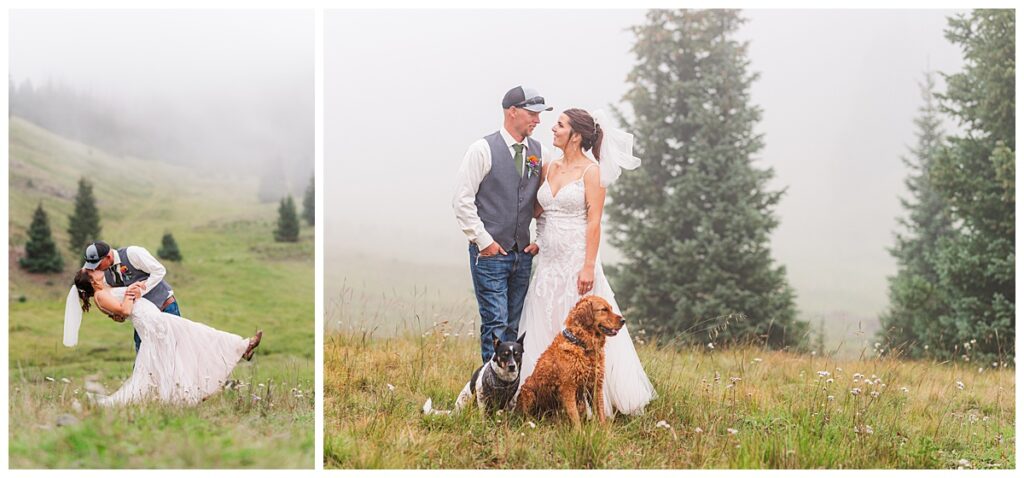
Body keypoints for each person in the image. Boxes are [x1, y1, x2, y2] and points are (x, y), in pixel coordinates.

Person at [517, 108, 656, 417]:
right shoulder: (549, 167)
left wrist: (589, 266)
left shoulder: (592, 172)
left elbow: (594, 222)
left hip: (577, 262)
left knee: (583, 328)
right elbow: (543, 213)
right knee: (546, 320)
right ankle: (548, 397)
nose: (553, 128)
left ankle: (592, 402)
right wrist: (539, 240)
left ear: (576, 135)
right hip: (549, 263)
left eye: (560, 125)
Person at [452, 86, 553, 363]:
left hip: (523, 255)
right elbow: (462, 200)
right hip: (490, 254)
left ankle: (510, 395)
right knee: (496, 326)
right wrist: (485, 242)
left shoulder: (540, 153)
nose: (538, 121)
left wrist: (539, 241)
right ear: (512, 112)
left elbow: (546, 202)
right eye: (533, 113)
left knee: (514, 326)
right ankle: (491, 395)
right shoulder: (482, 149)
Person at [72, 268, 262, 406]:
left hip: (154, 321)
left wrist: (134, 289)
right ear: (91, 280)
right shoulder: (100, 296)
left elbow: (119, 316)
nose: (96, 270)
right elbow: (124, 311)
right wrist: (130, 294)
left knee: (180, 347)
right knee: (194, 335)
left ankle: (240, 348)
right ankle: (239, 348)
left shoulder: (104, 291)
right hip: (153, 324)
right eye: (91, 271)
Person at [82, 241, 178, 353]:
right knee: (144, 355)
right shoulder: (103, 276)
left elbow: (159, 270)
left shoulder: (132, 253)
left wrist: (142, 290)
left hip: (165, 308)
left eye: (97, 264)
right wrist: (116, 315)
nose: (95, 269)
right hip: (144, 319)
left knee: (174, 351)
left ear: (108, 257)